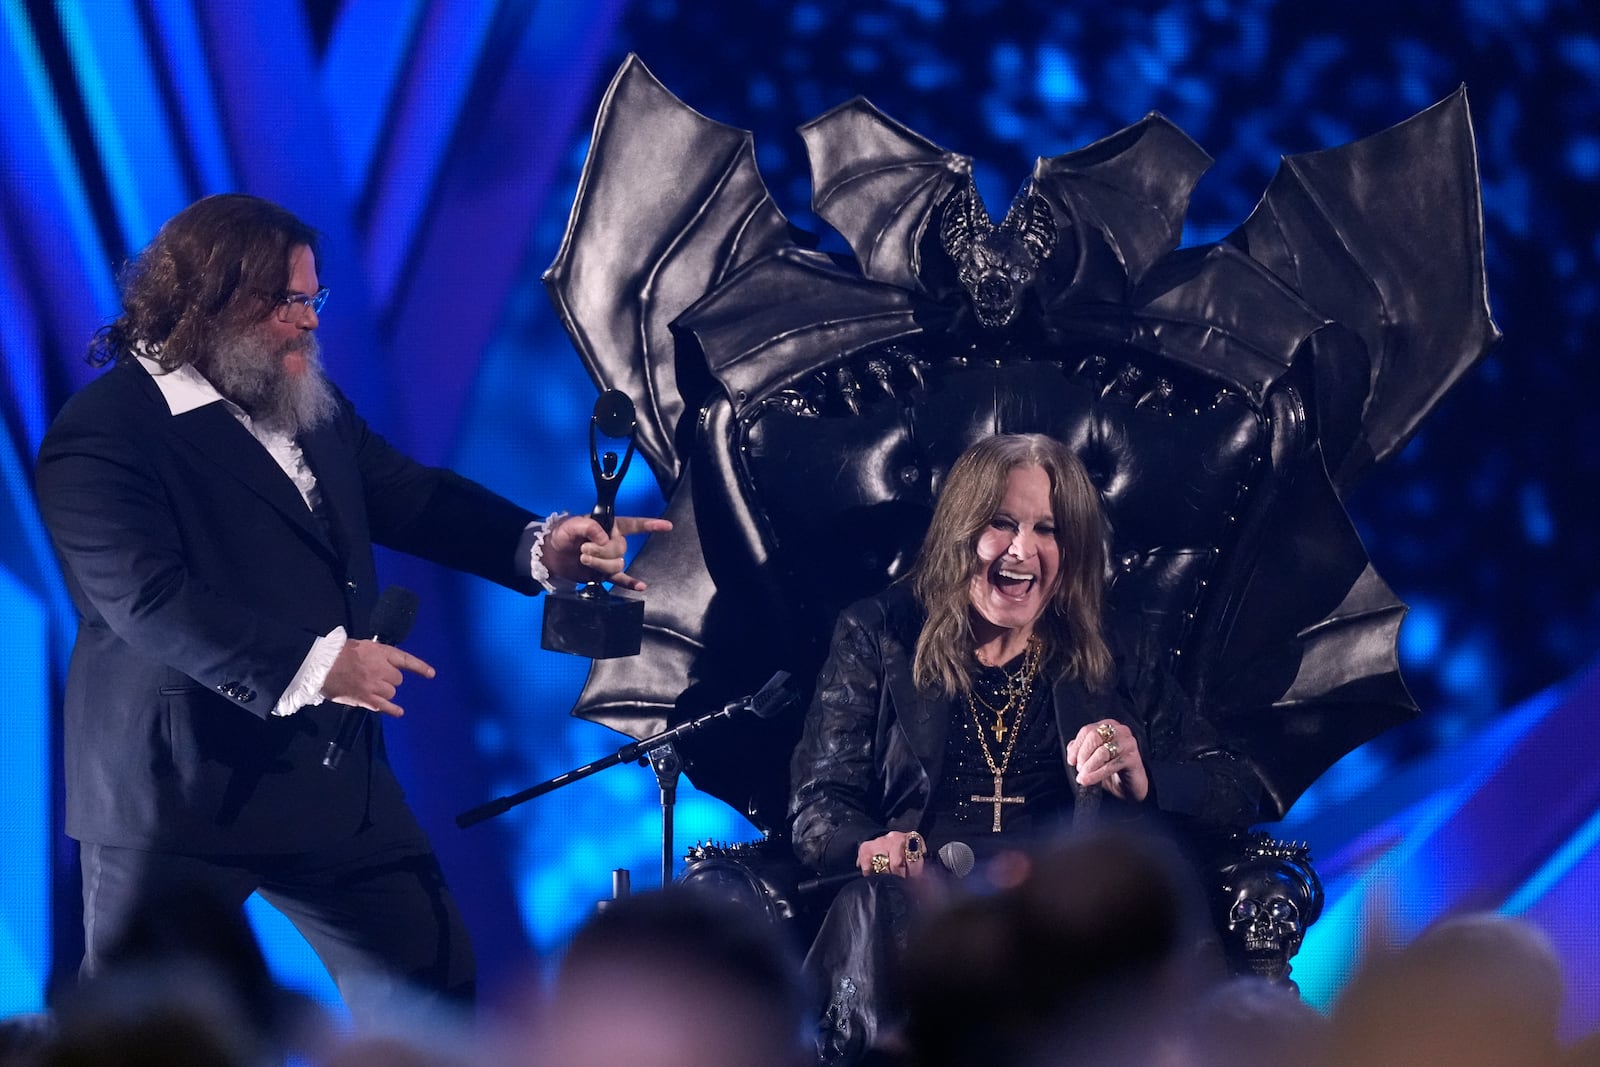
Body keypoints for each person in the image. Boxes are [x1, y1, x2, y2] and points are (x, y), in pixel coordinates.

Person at [34, 193, 670, 1019]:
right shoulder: (105, 433)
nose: (309, 322)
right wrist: (322, 664)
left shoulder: (301, 403)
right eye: (291, 302)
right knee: (134, 1031)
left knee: (431, 995)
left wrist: (536, 542)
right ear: (217, 300)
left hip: (327, 775)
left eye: (314, 299)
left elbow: (410, 495)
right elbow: (148, 601)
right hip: (177, 793)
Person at [788, 432, 1259, 1063]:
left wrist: (1148, 779)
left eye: (1048, 529)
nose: (1022, 550)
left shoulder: (1115, 649)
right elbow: (820, 800)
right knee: (869, 898)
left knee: (1149, 892)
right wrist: (868, 846)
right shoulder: (880, 634)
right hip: (920, 896)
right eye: (1002, 524)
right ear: (961, 531)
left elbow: (1233, 786)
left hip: (1066, 903)